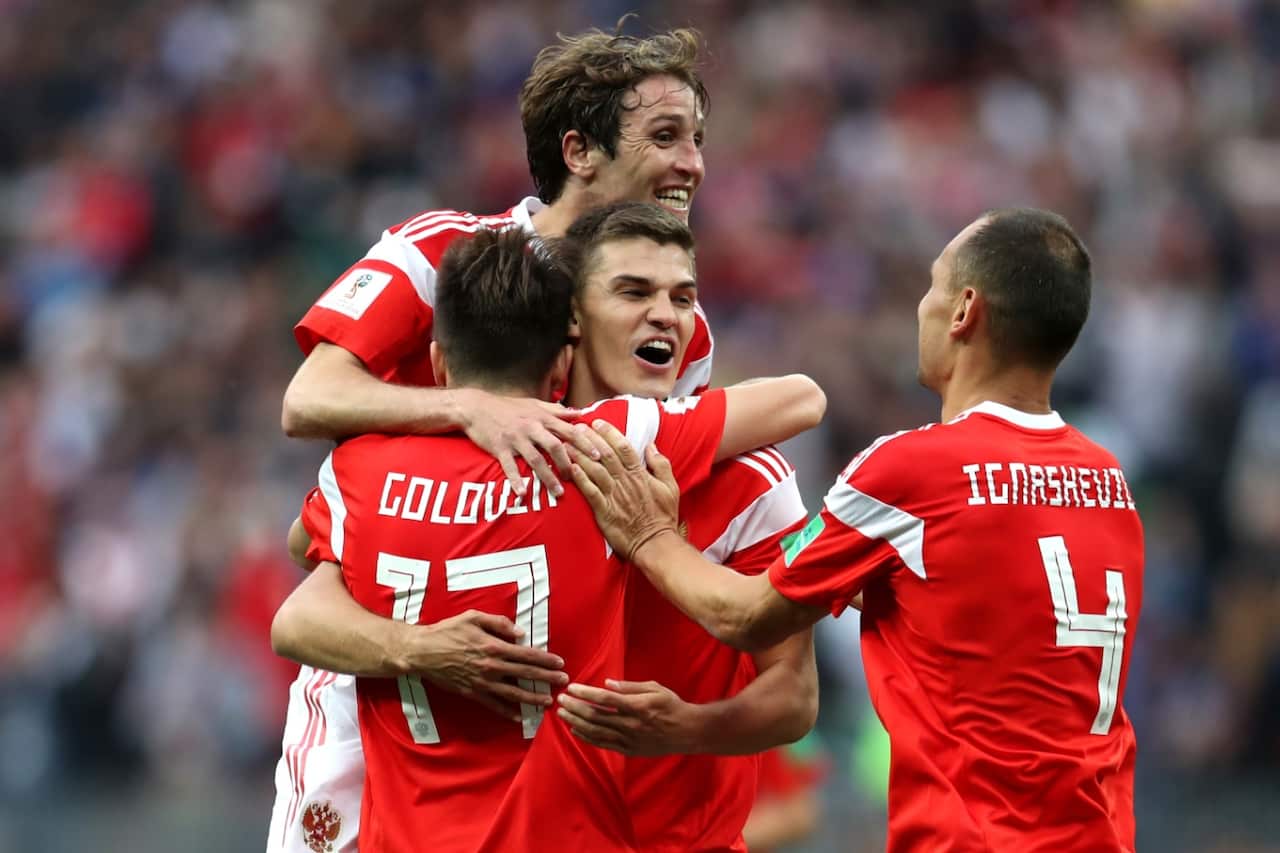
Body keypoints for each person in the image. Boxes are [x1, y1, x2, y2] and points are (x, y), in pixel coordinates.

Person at [569, 208, 1145, 852]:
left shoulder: (911, 470)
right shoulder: (1109, 480)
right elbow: (956, 597)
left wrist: (649, 535)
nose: (920, 308)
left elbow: (749, 619)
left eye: (932, 287)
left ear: (963, 312)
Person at [268, 24, 716, 851]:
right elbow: (310, 396)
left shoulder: (666, 320)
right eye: (665, 136)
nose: (691, 162)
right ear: (579, 150)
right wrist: (467, 409)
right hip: (377, 685)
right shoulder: (443, 248)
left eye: (696, 139)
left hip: (539, 700)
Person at [274, 202, 820, 852]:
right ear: (571, 328)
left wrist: (690, 727)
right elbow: (803, 397)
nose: (667, 316)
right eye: (633, 291)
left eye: (684, 297)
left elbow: (793, 697)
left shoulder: (754, 478)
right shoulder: (578, 445)